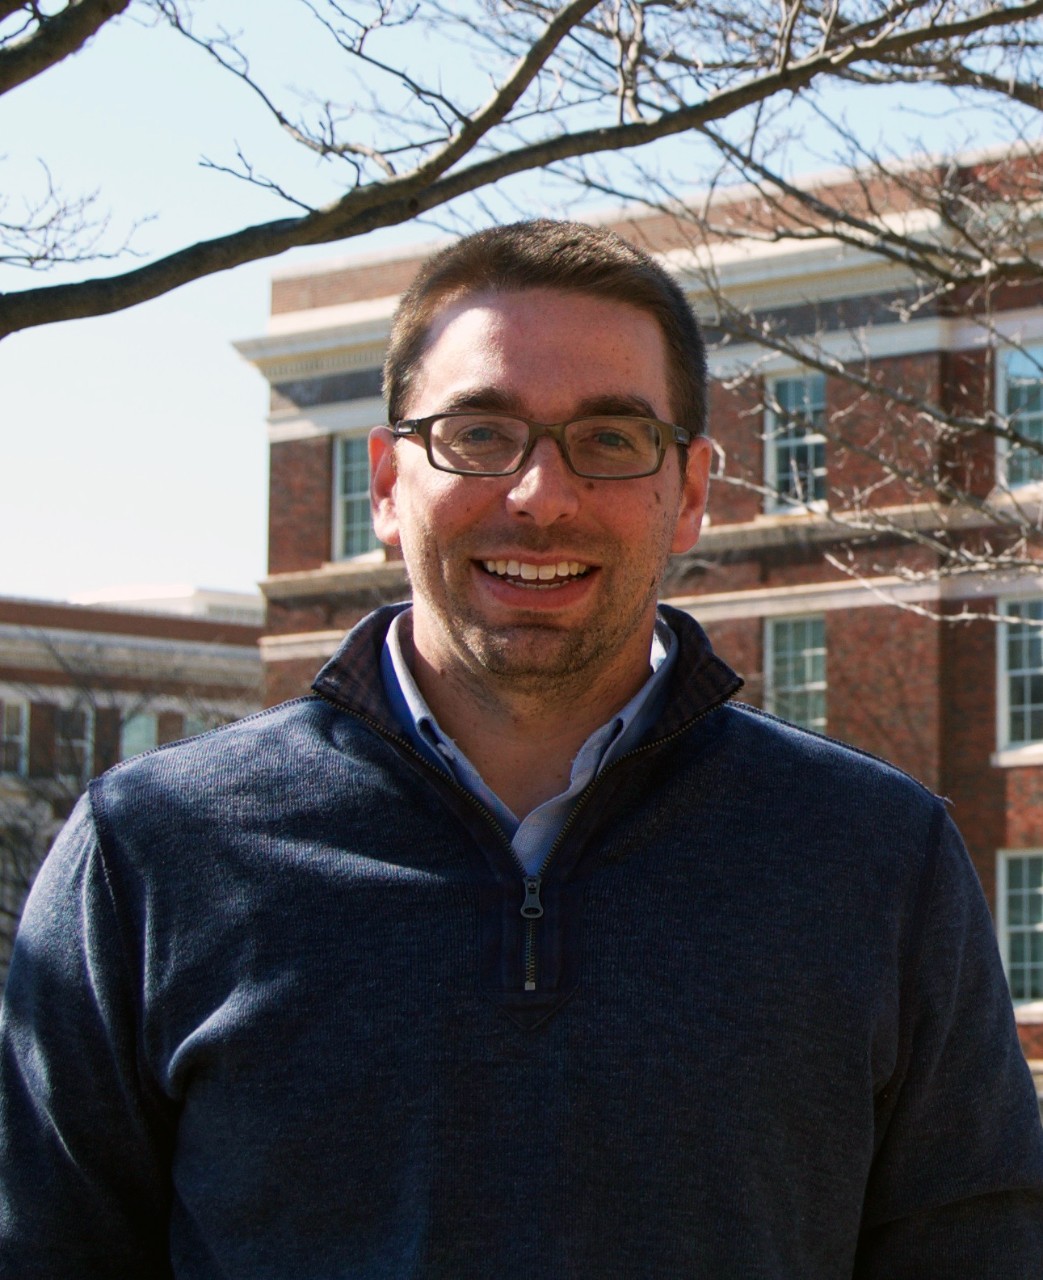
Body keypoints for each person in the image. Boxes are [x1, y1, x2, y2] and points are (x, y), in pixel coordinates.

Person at [1, 220, 1042, 1278]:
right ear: (387, 484)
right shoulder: (150, 853)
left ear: (688, 493)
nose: (540, 495)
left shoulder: (875, 856)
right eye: (479, 433)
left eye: (610, 438)